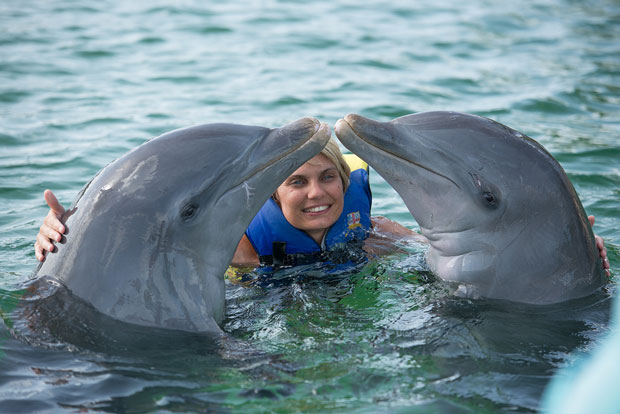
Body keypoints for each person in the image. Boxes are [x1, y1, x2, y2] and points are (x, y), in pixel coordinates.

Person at [34, 139, 611, 277]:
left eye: (329, 177)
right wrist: (64, 235)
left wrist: (558, 249)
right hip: (270, 313)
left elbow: (457, 250)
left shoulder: (371, 232)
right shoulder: (241, 248)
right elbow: (141, 242)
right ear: (272, 194)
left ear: (344, 181)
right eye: (298, 182)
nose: (319, 193)